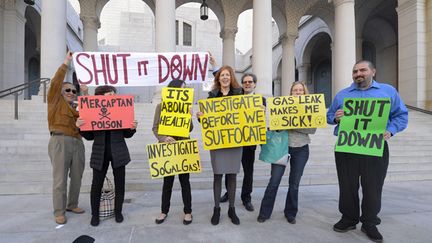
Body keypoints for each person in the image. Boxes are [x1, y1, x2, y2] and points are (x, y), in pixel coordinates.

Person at [327, 60, 408, 242]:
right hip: (347, 147)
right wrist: (336, 118)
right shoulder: (342, 95)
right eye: (355, 71)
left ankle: (370, 222)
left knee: (373, 187)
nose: (358, 74)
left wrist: (391, 130)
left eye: (363, 70)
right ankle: (348, 218)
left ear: (373, 71)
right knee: (347, 186)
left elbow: (401, 115)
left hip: (375, 147)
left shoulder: (388, 92)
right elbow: (329, 116)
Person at [76, 85, 138, 226]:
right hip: (100, 153)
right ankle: (95, 215)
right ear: (100, 96)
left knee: (120, 184)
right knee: (96, 185)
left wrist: (132, 128)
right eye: (109, 93)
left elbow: (127, 134)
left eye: (113, 93)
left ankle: (118, 212)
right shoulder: (93, 112)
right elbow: (90, 136)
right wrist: (80, 127)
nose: (112, 96)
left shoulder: (121, 111)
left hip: (119, 152)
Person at [257, 81, 316, 224]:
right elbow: (276, 127)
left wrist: (291, 124)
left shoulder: (310, 108)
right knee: (274, 181)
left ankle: (290, 213)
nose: (297, 92)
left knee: (294, 183)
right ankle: (264, 212)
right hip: (281, 148)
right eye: (295, 90)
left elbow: (312, 130)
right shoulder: (282, 106)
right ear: (291, 93)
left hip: (301, 149)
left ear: (304, 92)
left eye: (300, 90)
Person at [196, 65, 243, 225]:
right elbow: (206, 121)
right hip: (217, 141)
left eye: (227, 75)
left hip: (235, 141)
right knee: (217, 175)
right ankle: (216, 209)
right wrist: (201, 117)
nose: (225, 78)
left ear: (231, 78)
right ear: (218, 78)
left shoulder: (240, 93)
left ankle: (232, 208)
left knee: (232, 175)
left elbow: (247, 113)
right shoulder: (211, 96)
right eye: (222, 75)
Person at [47, 51, 86, 225]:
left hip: (78, 142)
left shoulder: (78, 107)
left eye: (73, 91)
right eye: (67, 90)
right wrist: (66, 62)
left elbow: (92, 112)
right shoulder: (56, 100)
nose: (71, 92)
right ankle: (59, 211)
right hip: (60, 140)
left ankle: (72, 204)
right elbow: (56, 83)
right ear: (61, 92)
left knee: (77, 176)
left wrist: (85, 93)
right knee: (60, 178)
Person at [220, 73, 266, 212]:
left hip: (249, 142)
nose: (247, 84)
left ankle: (246, 198)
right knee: (230, 170)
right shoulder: (234, 98)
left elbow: (259, 121)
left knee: (248, 172)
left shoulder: (261, 100)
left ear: (254, 84)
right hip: (234, 140)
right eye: (245, 82)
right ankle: (229, 193)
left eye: (250, 82)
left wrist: (262, 112)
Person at [152, 79, 194, 225]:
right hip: (167, 148)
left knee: (185, 182)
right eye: (182, 89)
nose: (184, 92)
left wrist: (189, 116)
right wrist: (164, 138)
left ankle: (188, 212)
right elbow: (155, 128)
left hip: (183, 147)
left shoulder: (186, 106)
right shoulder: (161, 107)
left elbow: (190, 129)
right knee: (167, 182)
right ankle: (164, 211)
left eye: (185, 90)